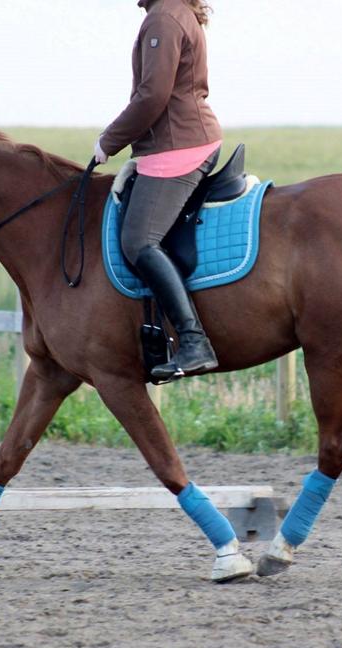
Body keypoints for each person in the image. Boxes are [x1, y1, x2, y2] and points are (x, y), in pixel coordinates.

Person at [95, 0, 223, 379]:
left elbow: (153, 95)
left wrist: (109, 141)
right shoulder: (171, 12)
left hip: (179, 146)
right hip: (172, 142)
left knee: (138, 241)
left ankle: (194, 341)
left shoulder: (165, 16)